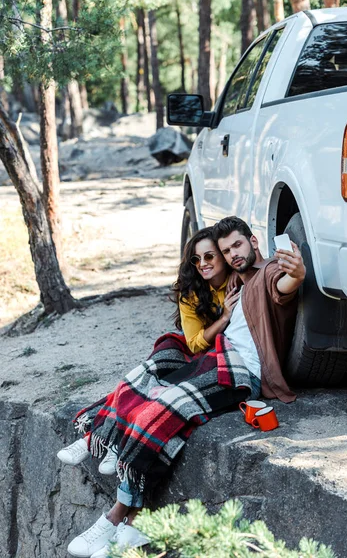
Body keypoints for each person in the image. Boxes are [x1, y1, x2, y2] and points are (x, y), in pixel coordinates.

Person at [58, 227, 255, 558]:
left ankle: (121, 515)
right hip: (199, 351)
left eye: (211, 256)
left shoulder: (241, 279)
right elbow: (194, 342)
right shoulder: (192, 291)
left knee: (157, 405)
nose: (204, 263)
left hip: (218, 359)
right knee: (153, 364)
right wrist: (223, 317)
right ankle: (98, 432)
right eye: (197, 259)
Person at [212, 215, 306, 404]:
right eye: (227, 251)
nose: (233, 255)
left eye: (238, 245)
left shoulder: (269, 271)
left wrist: (297, 275)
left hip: (243, 371)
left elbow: (281, 285)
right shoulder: (241, 279)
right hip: (219, 356)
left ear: (253, 241)